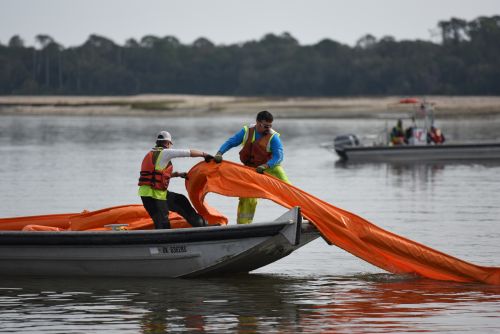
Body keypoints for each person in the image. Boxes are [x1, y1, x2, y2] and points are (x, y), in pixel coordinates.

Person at [212, 110, 290, 224]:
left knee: (288, 189)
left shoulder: (273, 137)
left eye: (270, 126)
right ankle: (243, 225)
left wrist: (265, 165)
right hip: (251, 170)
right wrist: (219, 153)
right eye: (265, 126)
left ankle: (305, 214)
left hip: (271, 168)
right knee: (247, 195)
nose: (268, 129)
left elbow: (279, 156)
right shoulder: (246, 131)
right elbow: (230, 142)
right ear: (258, 123)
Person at [138, 130, 213, 229]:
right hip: (153, 196)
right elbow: (187, 152)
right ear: (168, 143)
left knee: (180, 200)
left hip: (155, 194)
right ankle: (164, 242)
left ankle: (201, 225)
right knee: (163, 224)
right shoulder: (164, 153)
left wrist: (177, 174)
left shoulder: (152, 154)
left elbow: (157, 176)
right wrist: (204, 155)